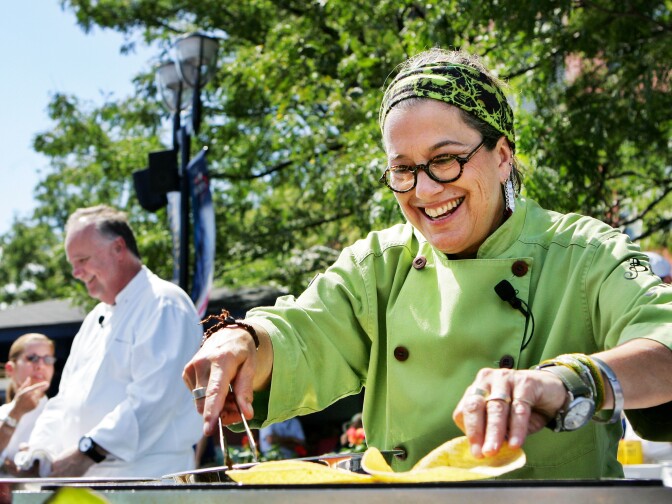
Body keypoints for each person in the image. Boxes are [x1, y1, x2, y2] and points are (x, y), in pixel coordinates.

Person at [183, 48, 672, 479]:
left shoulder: (584, 254)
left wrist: (568, 380)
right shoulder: (379, 265)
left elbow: (665, 342)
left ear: (502, 156)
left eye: (446, 160)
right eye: (402, 169)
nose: (425, 190)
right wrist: (243, 342)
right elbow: (302, 334)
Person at [17, 205, 203, 478]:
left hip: (147, 481)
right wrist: (39, 453)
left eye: (82, 260)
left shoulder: (164, 303)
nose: (76, 273)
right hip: (88, 483)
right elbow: (65, 401)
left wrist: (87, 451)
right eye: (72, 265)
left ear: (118, 248)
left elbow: (152, 401)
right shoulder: (95, 318)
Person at [0, 333, 55, 475]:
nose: (40, 366)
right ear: (10, 369)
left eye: (48, 359)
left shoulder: (61, 413)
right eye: (32, 358)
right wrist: (16, 413)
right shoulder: (2, 413)